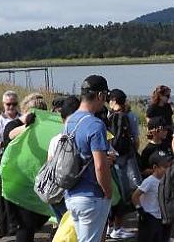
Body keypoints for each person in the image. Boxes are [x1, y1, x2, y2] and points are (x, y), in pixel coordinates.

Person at [65, 75, 113, 242]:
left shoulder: (70, 121)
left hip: (71, 193)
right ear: (100, 95)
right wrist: (108, 191)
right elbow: (100, 166)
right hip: (91, 195)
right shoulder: (96, 125)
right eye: (105, 96)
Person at [2, 93, 50, 242]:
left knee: (36, 220)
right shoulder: (15, 125)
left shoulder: (44, 127)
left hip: (36, 180)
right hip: (19, 181)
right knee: (26, 226)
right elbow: (10, 134)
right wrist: (28, 125)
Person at [106, 88, 140, 239]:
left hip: (112, 156)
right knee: (125, 191)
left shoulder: (108, 116)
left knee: (114, 191)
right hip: (125, 156)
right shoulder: (126, 116)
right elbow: (135, 138)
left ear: (113, 101)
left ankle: (109, 226)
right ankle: (118, 227)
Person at [0, 90, 21, 237]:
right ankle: (6, 225)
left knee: (20, 193)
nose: (11, 107)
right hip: (3, 163)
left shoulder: (22, 118)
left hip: (20, 163)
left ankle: (20, 223)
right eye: (9, 104)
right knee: (5, 195)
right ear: (3, 104)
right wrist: (5, 143)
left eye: (14, 103)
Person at [46, 95, 81, 223]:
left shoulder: (55, 139)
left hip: (56, 193)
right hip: (75, 193)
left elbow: (49, 164)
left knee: (63, 228)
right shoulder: (82, 138)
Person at [133, 150, 174, 242]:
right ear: (155, 167)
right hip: (149, 217)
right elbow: (135, 196)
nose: (168, 169)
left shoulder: (167, 180)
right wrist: (140, 210)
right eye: (165, 167)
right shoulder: (149, 181)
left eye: (169, 166)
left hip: (162, 217)